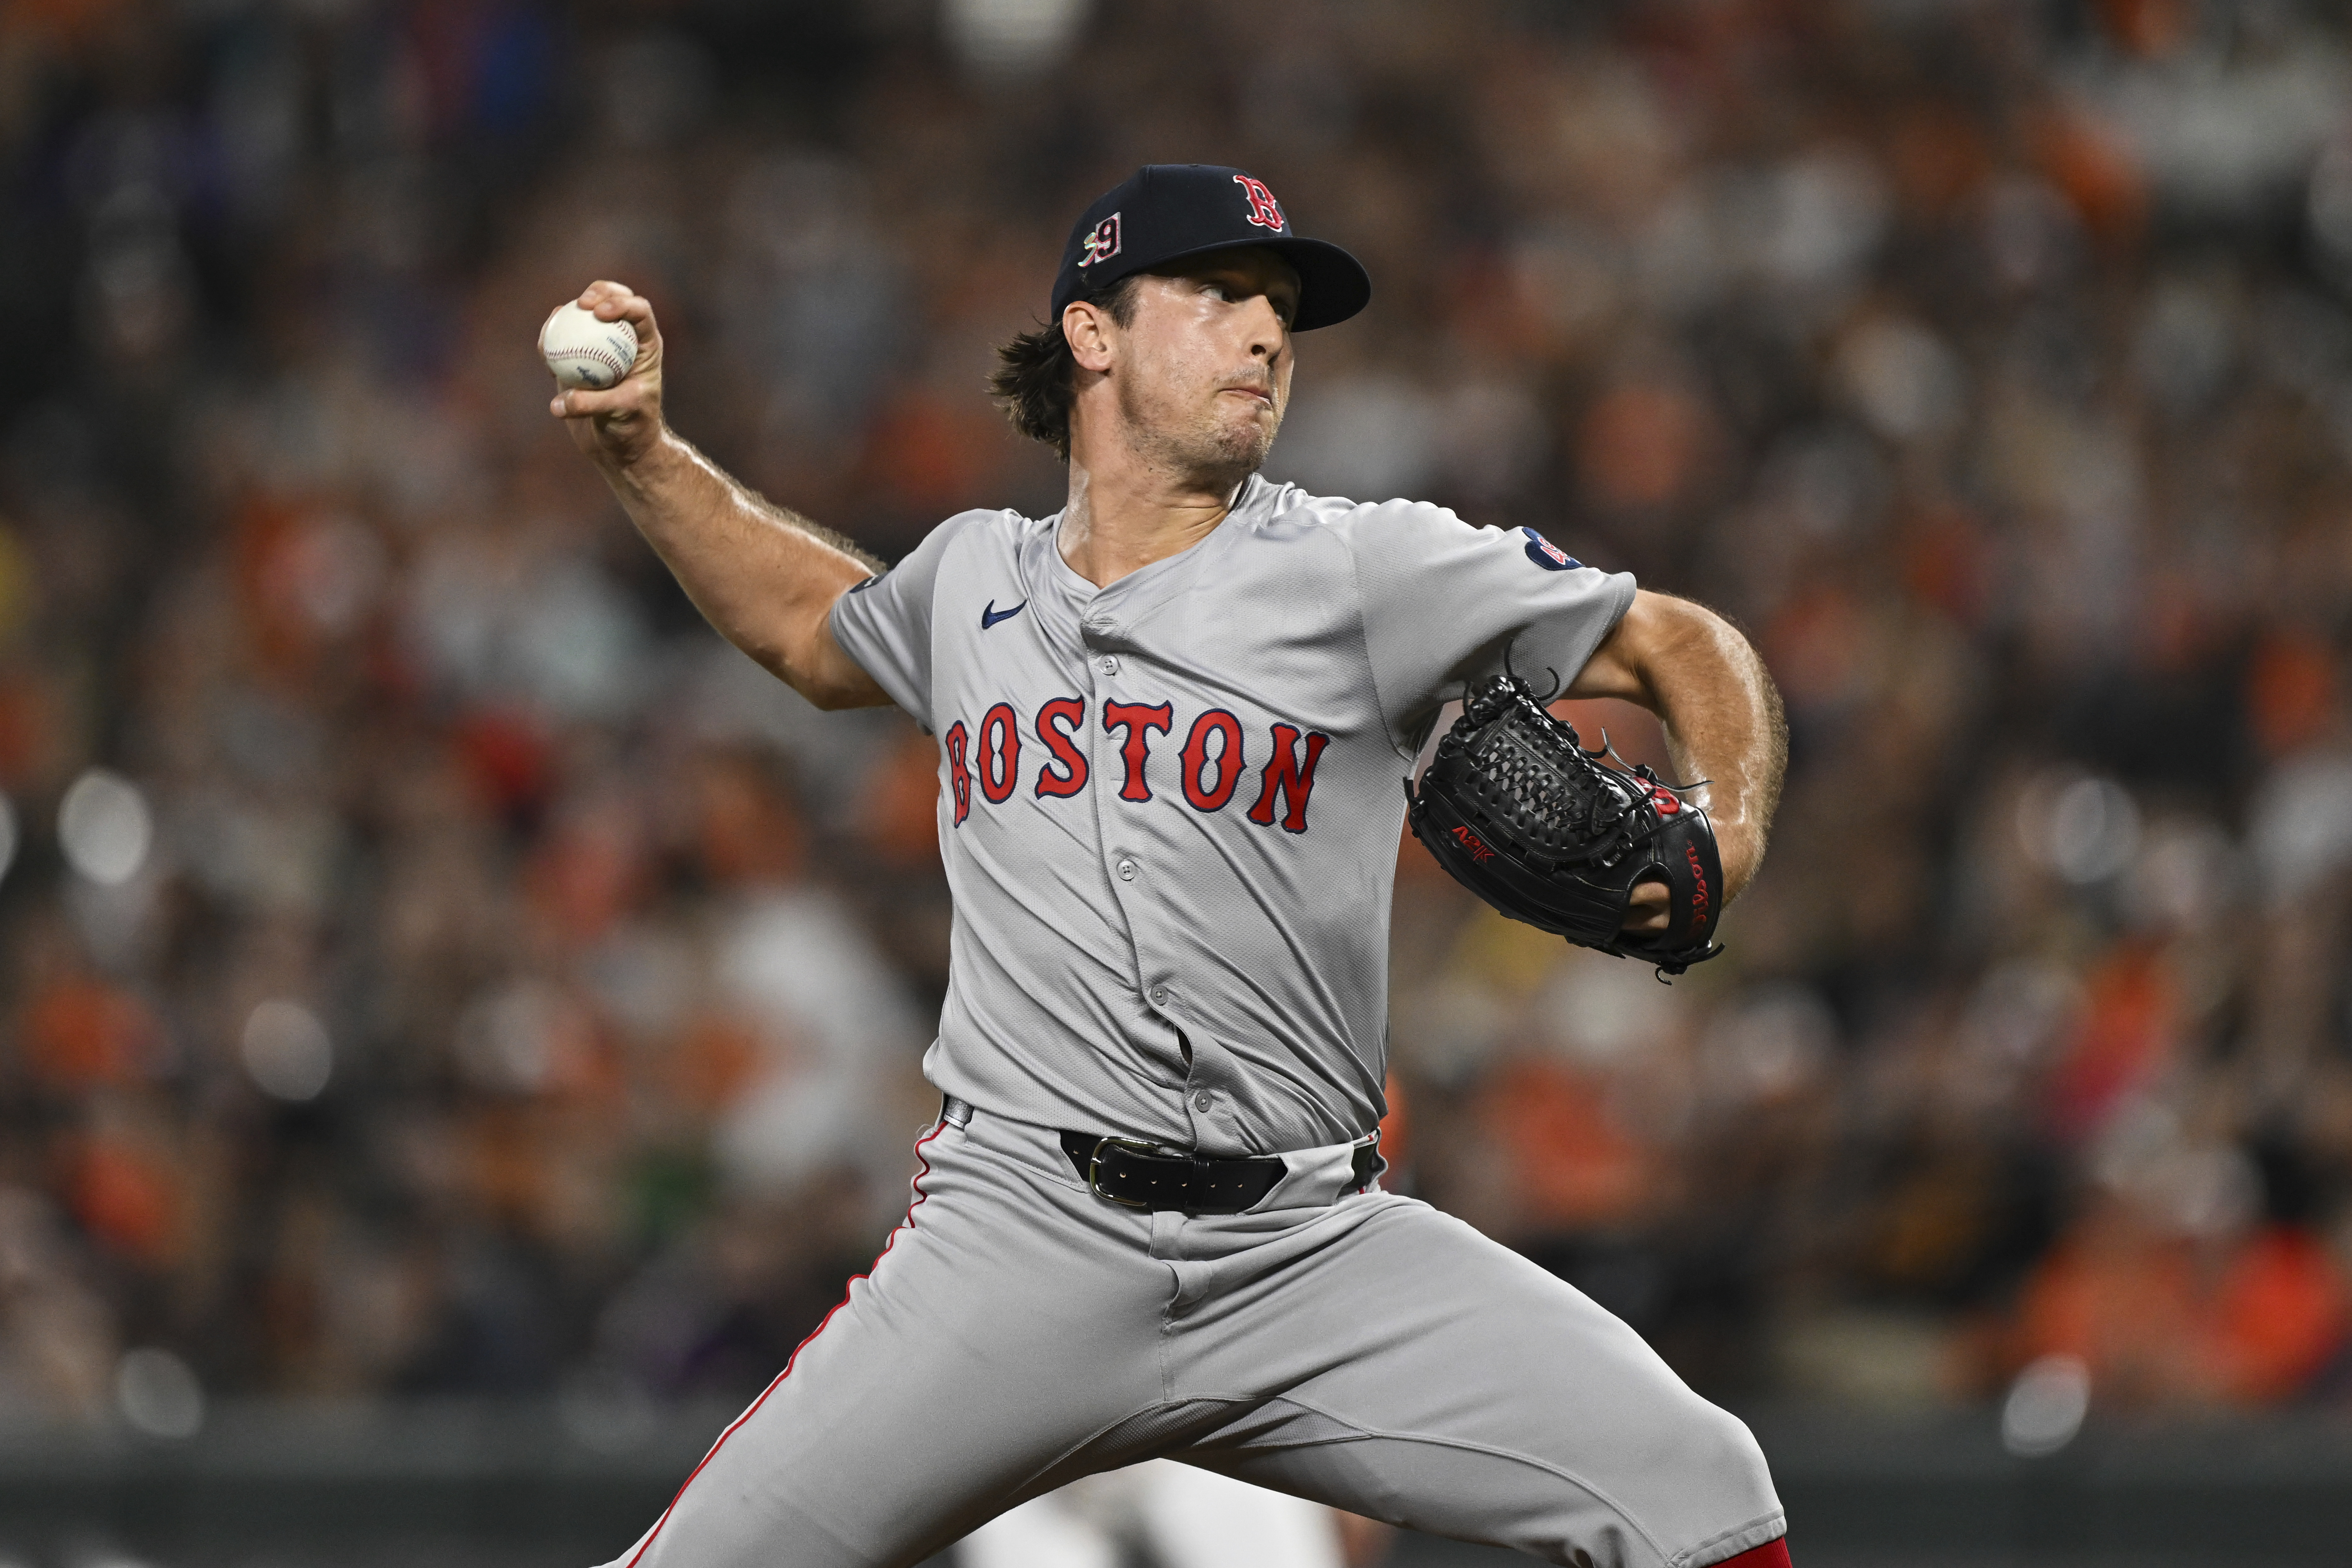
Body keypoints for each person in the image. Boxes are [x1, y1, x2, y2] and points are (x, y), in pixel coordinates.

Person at [555, 164, 1792, 1568]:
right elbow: (805, 624)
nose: (1267, 335)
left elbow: (1679, 640)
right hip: (1017, 1238)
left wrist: (1728, 821)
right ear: (1095, 332)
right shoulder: (970, 581)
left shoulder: (1362, 566)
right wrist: (646, 457)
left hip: (1310, 1250)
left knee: (1700, 1483)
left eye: (1281, 311)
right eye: (1220, 295)